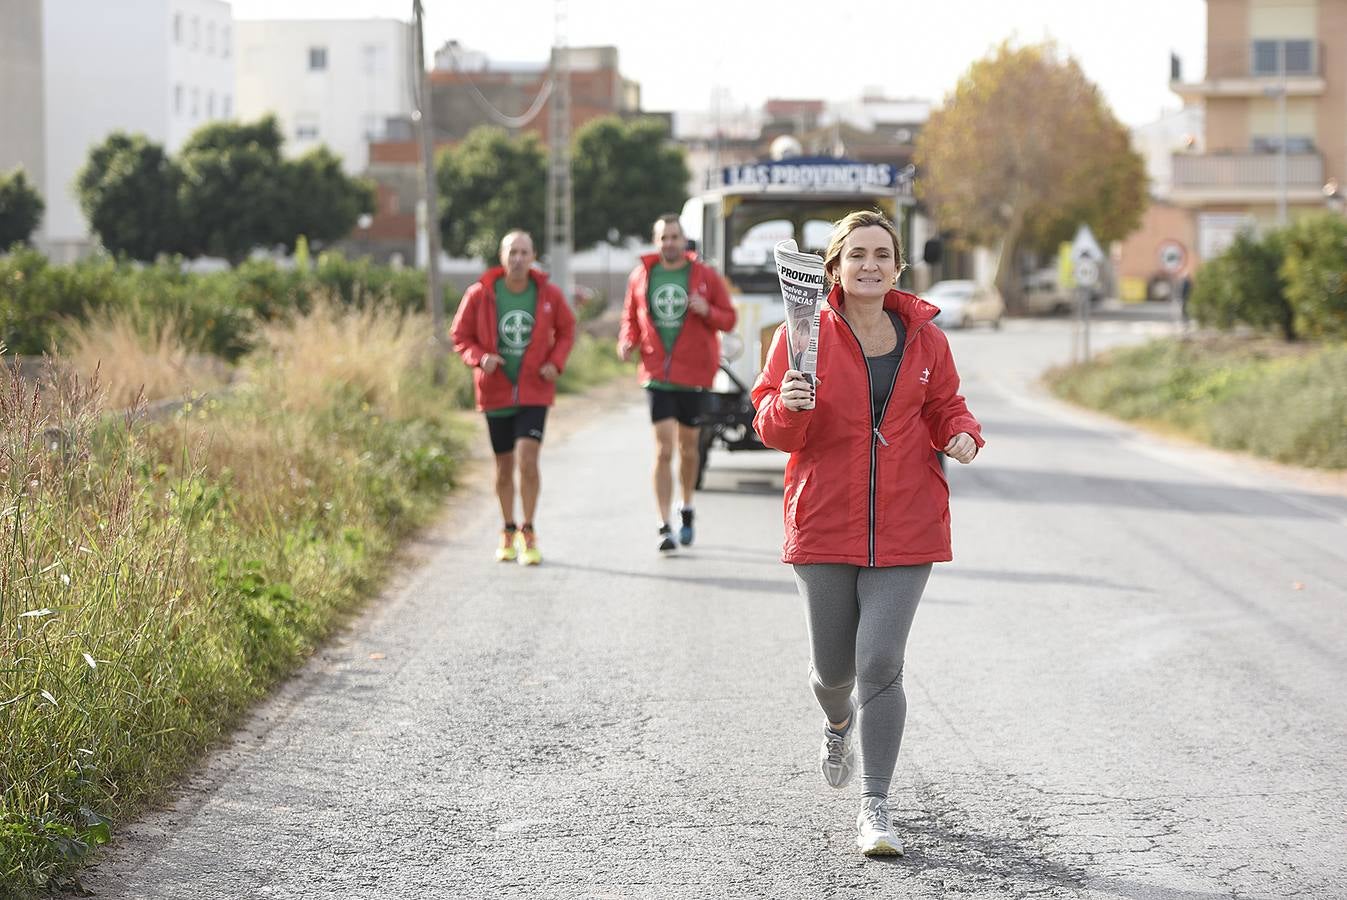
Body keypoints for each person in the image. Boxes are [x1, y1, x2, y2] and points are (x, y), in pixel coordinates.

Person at [750, 210, 983, 857]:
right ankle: (835, 721)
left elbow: (943, 407)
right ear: (834, 268)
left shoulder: (925, 338)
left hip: (907, 524)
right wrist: (784, 407)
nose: (870, 265)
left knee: (879, 663)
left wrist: (960, 433)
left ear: (898, 267)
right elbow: (769, 424)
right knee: (833, 671)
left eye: (882, 254)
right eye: (856, 255)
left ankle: (875, 807)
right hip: (824, 521)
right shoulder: (801, 336)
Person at [451, 230, 576, 565]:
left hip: (535, 389)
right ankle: (507, 528)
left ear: (534, 256)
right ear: (502, 257)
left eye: (524, 252)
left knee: (527, 460)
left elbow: (567, 329)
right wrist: (481, 359)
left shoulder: (548, 294)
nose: (518, 258)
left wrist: (555, 362)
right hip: (496, 391)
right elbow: (460, 336)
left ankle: (529, 530)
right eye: (512, 252)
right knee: (504, 467)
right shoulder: (480, 294)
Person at [618, 213, 737, 552]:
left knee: (688, 449)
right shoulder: (641, 276)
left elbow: (729, 319)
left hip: (695, 374)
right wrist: (626, 341)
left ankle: (686, 506)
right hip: (657, 375)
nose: (669, 242)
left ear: (684, 240)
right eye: (663, 237)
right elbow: (630, 319)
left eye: (674, 236)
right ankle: (663, 525)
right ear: (656, 242)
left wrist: (707, 310)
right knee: (663, 448)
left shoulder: (704, 276)